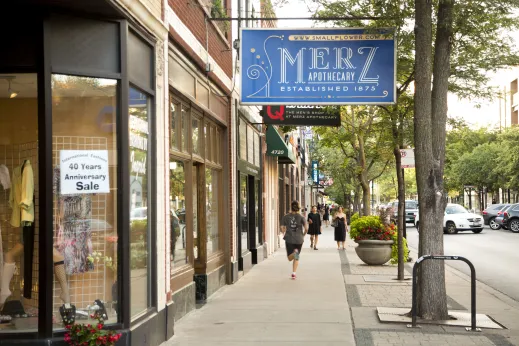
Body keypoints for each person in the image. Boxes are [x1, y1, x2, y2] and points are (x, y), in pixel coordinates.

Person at [281, 200, 308, 280]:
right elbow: (306, 228)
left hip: (289, 239)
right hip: (299, 239)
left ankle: (295, 254)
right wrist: (303, 235)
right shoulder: (302, 217)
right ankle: (294, 273)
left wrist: (284, 233)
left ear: (291, 206)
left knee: (290, 258)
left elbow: (282, 228)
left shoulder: (285, 217)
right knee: (297, 257)